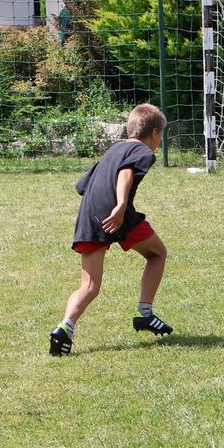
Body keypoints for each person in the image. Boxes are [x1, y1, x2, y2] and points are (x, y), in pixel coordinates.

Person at [50, 103, 173, 356]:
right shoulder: (142, 151)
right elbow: (126, 173)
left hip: (89, 214)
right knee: (157, 254)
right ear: (154, 133)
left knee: (90, 285)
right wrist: (119, 206)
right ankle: (144, 313)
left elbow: (82, 185)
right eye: (160, 135)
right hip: (117, 213)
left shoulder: (113, 150)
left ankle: (65, 327)